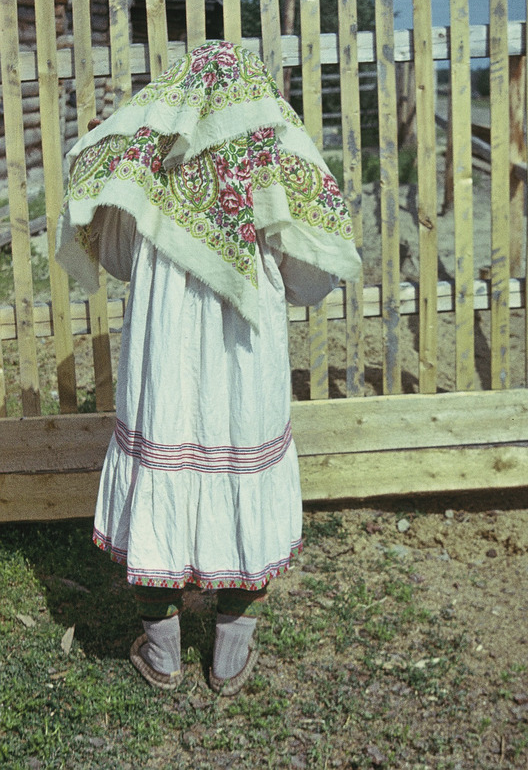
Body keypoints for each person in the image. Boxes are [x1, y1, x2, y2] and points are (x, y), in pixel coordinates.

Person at [56, 40, 361, 694]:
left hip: (162, 358)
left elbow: (110, 250)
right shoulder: (270, 154)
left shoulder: (147, 155)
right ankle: (228, 655)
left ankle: (163, 651)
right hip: (241, 359)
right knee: (242, 480)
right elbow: (312, 278)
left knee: (157, 483)